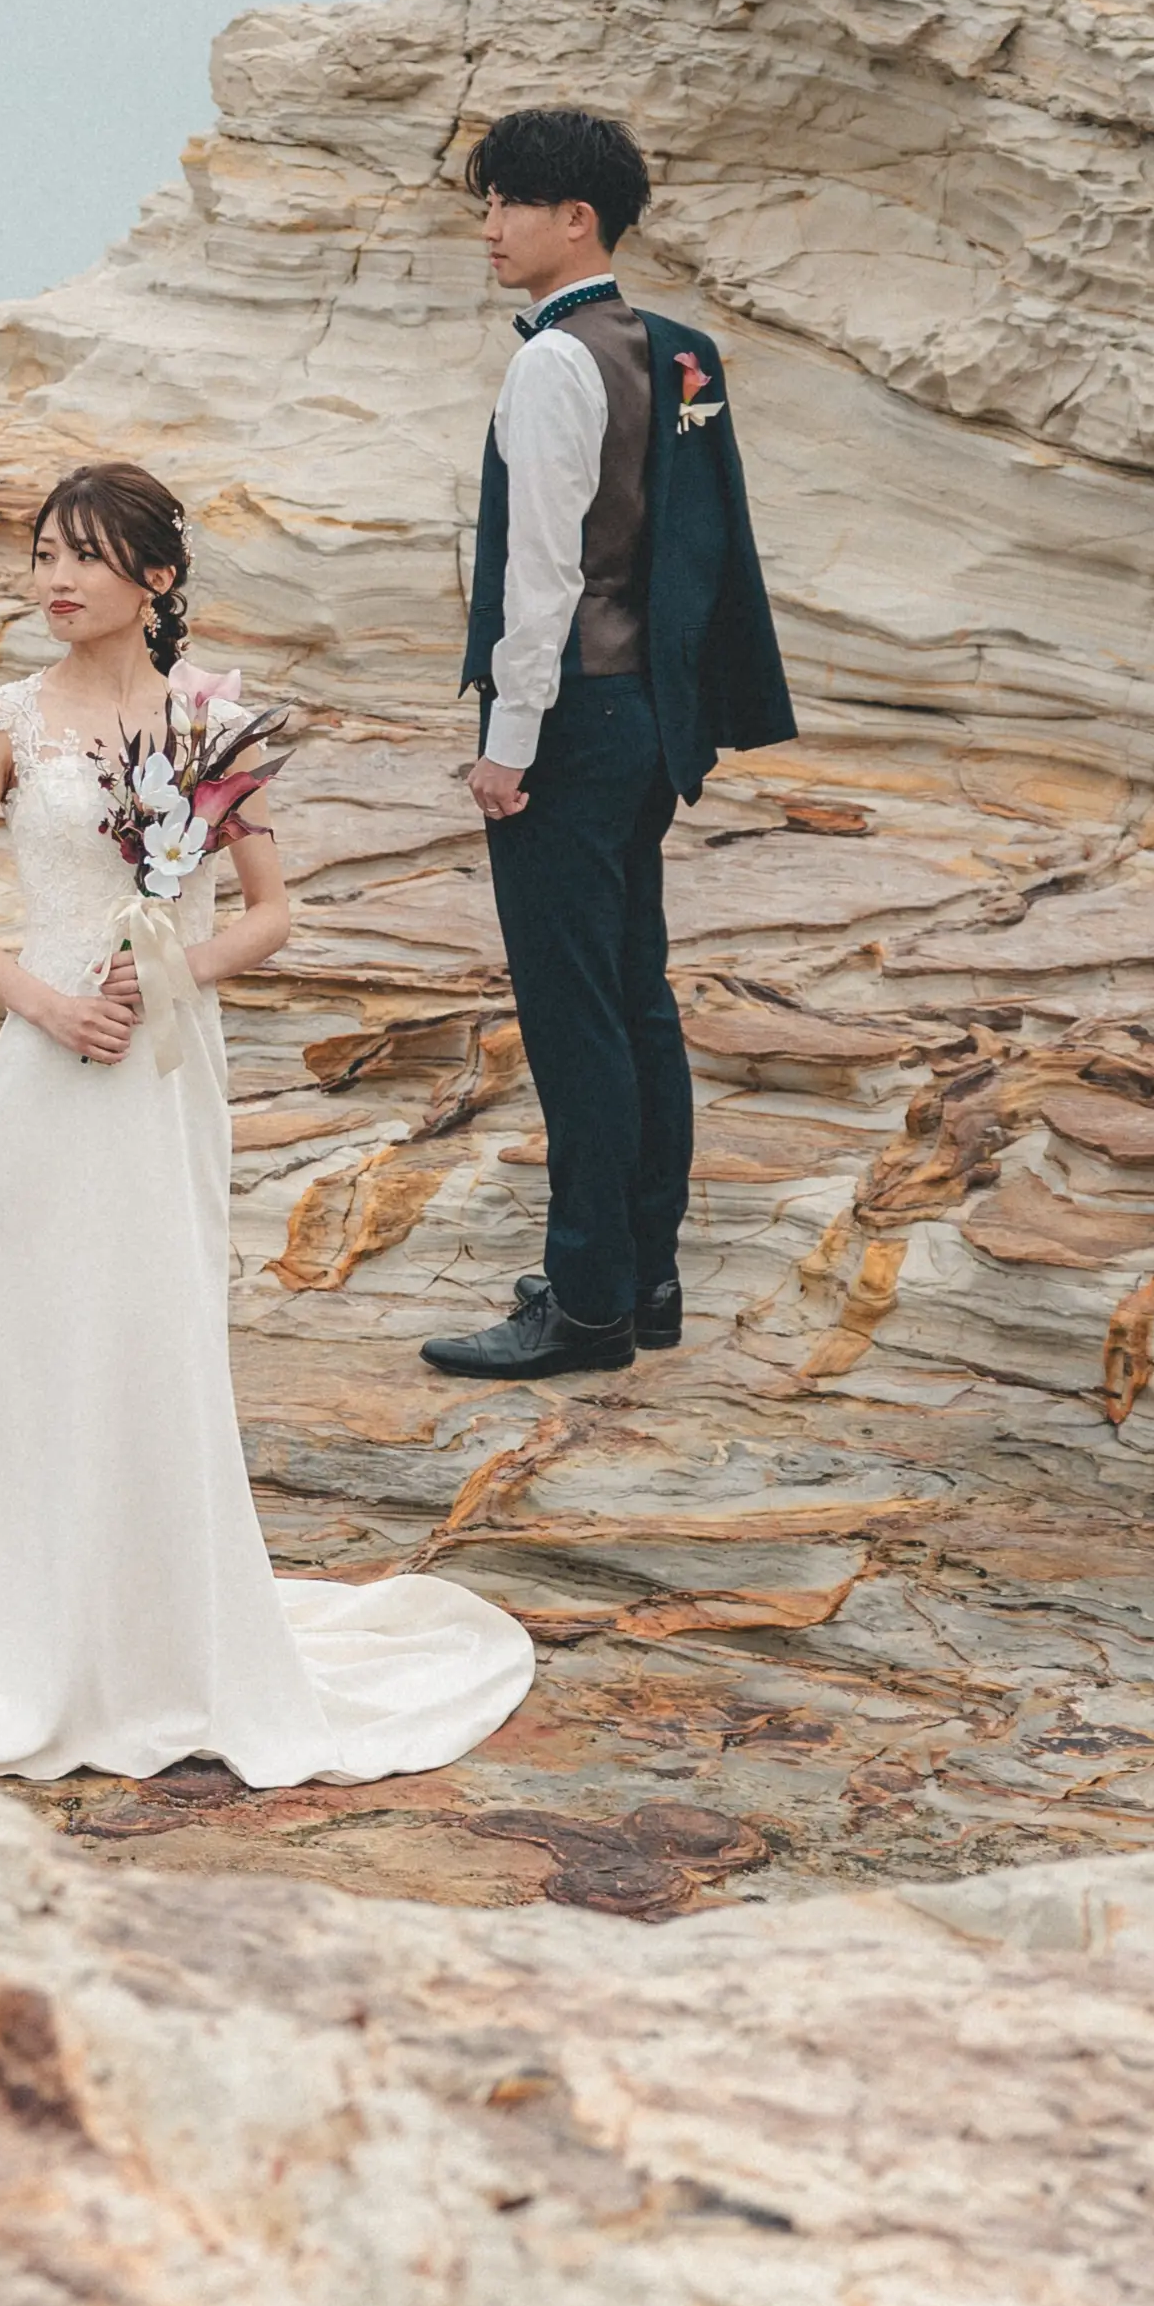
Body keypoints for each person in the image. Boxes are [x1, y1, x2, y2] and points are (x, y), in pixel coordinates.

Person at [0, 462, 533, 1783]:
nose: (54, 579)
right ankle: (26, 1635)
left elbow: (269, 913)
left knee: (159, 1328)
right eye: (42, 555)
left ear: (154, 580)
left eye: (85, 558)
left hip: (167, 1065)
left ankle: (170, 1642)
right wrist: (46, 1001)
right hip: (48, 1061)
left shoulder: (211, 721)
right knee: (43, 1332)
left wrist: (167, 969)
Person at [418, 106, 798, 1384]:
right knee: (636, 997)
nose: (490, 227)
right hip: (647, 720)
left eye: (507, 203)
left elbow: (544, 574)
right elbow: (696, 554)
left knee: (575, 1015)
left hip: (570, 721)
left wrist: (506, 743)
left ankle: (582, 1304)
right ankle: (644, 1276)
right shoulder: (673, 350)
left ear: (573, 216)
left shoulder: (553, 364)